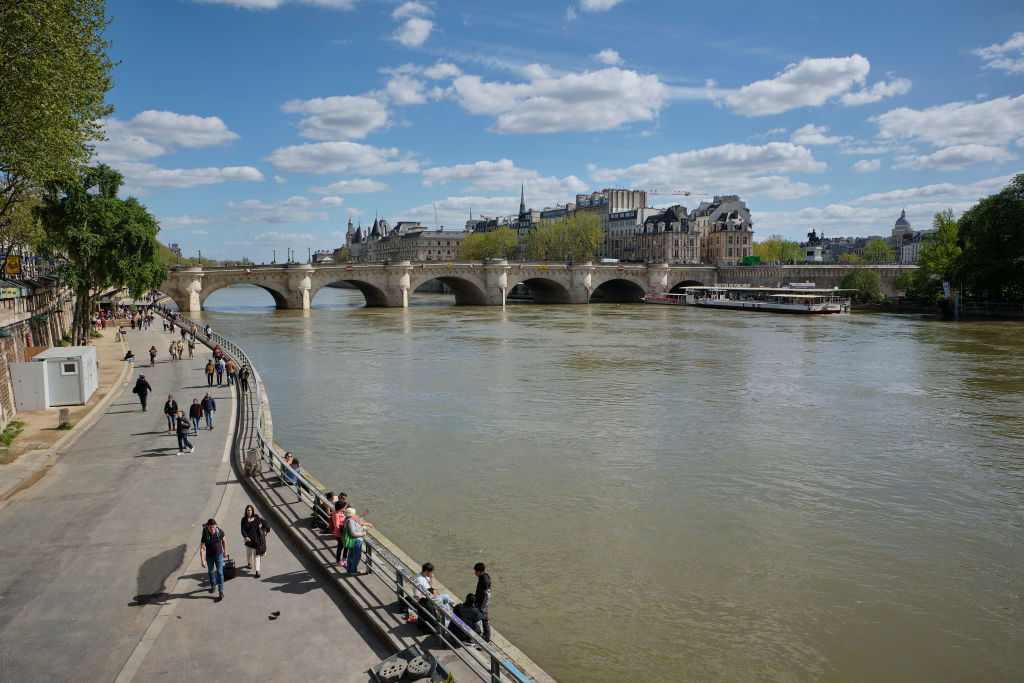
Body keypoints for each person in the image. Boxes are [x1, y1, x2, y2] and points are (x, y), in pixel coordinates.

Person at [200, 518, 227, 602]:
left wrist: (225, 552)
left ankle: (221, 591)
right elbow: (202, 548)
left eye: (213, 527)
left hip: (219, 555)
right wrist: (203, 560)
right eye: (210, 527)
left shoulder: (220, 532)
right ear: (207, 527)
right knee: (210, 572)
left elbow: (224, 542)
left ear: (215, 526)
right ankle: (213, 585)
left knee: (220, 572)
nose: (212, 529)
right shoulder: (205, 535)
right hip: (209, 557)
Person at [240, 504, 269, 578]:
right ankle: (249, 562)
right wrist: (245, 537)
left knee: (257, 555)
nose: (249, 511)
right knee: (249, 552)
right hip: (248, 539)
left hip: (256, 539)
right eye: (248, 510)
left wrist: (261, 525)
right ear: (246, 511)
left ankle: (257, 570)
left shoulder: (256, 517)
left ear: (252, 510)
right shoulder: (243, 520)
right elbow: (242, 530)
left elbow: (260, 522)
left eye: (250, 510)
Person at [344, 507, 372, 574]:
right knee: (356, 556)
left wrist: (364, 514)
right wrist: (362, 533)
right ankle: (353, 571)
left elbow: (358, 522)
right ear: (352, 514)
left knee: (351, 555)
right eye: (354, 513)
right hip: (356, 540)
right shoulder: (350, 521)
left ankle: (349, 570)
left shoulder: (349, 519)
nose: (355, 514)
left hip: (353, 540)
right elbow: (353, 533)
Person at [474, 562, 492, 642]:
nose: (475, 573)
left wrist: (483, 607)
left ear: (480, 571)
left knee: (485, 621)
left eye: (476, 571)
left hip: (482, 605)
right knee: (480, 619)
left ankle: (487, 639)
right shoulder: (481, 577)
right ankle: (483, 634)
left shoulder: (485, 580)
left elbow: (487, 596)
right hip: (478, 602)